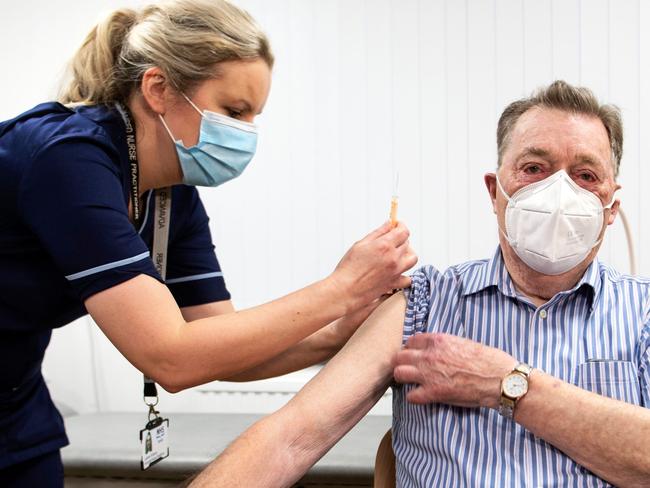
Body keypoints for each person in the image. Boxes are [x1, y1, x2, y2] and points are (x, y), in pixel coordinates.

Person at [0, 1, 417, 485]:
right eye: (234, 111)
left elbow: (219, 345)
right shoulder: (68, 158)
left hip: (17, 414)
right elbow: (171, 357)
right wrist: (341, 288)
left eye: (254, 116)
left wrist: (340, 329)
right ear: (158, 88)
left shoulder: (172, 197)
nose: (246, 133)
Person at [191, 80, 650, 488]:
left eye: (585, 176)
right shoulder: (424, 304)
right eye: (534, 168)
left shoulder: (643, 312)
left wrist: (508, 385)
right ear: (495, 192)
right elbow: (292, 437)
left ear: (610, 207)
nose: (558, 193)